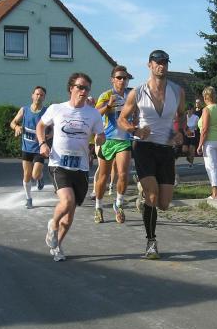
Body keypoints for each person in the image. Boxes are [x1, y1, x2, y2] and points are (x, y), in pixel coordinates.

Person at [118, 49, 186, 260]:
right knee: (153, 196)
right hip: (144, 147)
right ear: (149, 65)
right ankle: (151, 242)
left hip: (166, 149)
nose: (161, 66)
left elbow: (182, 115)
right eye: (157, 62)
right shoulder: (137, 92)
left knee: (163, 204)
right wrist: (135, 130)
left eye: (164, 62)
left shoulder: (177, 91)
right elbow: (122, 119)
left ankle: (143, 197)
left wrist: (180, 133)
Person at [36, 72, 105, 262]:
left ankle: (57, 245)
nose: (84, 91)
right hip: (58, 164)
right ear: (71, 88)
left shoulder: (93, 113)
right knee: (67, 201)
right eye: (80, 87)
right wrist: (42, 144)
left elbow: (101, 135)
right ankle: (53, 224)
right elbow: (41, 126)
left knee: (69, 216)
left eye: (87, 88)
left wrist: (100, 138)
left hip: (81, 167)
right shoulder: (57, 109)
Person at [93, 65, 135, 224]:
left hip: (124, 140)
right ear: (112, 80)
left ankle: (118, 204)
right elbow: (95, 114)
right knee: (103, 177)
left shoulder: (131, 95)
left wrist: (135, 122)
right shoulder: (106, 95)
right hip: (108, 140)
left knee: (123, 174)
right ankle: (98, 207)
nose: (122, 80)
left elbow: (136, 112)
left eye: (125, 78)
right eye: (119, 78)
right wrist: (109, 106)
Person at [10, 86, 48, 209]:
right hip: (26, 148)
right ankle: (28, 199)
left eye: (41, 95)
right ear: (32, 95)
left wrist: (48, 136)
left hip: (39, 148)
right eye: (37, 94)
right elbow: (12, 122)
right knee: (27, 175)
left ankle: (40, 177)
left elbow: (54, 128)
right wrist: (16, 127)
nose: (39, 97)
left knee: (35, 175)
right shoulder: (24, 110)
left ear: (44, 97)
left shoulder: (46, 112)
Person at [196, 86, 217, 201]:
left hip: (209, 142)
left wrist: (200, 145)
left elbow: (204, 129)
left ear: (205, 97)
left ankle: (215, 195)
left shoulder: (206, 110)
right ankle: (216, 193)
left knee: (211, 167)